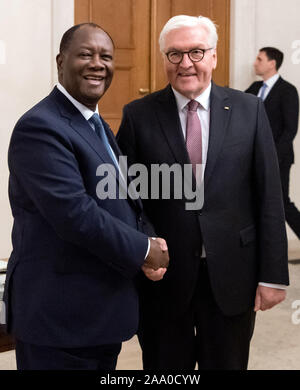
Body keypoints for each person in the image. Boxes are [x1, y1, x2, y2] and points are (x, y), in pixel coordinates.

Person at [117, 15, 289, 370]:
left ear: (213, 56)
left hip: (233, 276)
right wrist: (145, 245)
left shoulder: (250, 110)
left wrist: (273, 275)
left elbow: (269, 195)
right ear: (164, 59)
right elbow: (125, 196)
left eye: (196, 52)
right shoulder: (138, 115)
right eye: (175, 55)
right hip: (164, 279)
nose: (186, 64)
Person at [3, 23, 169, 370]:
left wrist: (148, 237)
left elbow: (124, 197)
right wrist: (142, 250)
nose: (98, 63)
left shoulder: (97, 124)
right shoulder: (40, 127)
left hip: (98, 313)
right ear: (60, 61)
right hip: (58, 318)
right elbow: (75, 214)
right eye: (85, 54)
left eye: (106, 57)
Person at [246, 47, 300, 238]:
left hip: (278, 159)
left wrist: (272, 157)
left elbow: (290, 130)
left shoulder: (288, 91)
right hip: (253, 158)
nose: (255, 63)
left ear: (272, 63)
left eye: (259, 59)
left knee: (281, 203)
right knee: (254, 201)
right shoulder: (253, 89)